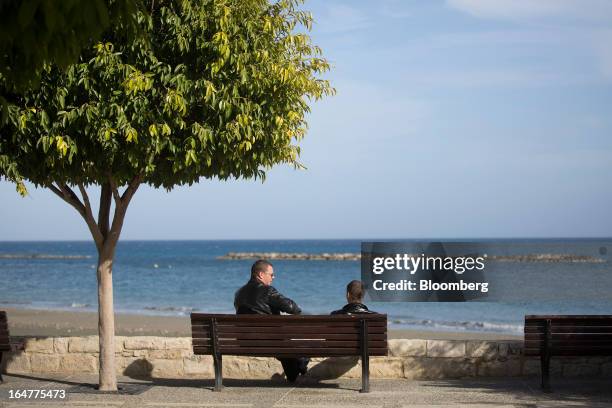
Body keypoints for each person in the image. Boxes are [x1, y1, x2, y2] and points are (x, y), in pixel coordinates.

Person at [234, 259, 308, 382]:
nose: (273, 277)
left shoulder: (239, 293)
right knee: (283, 342)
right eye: (271, 274)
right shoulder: (267, 290)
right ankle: (301, 363)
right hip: (270, 342)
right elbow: (293, 309)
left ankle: (295, 372)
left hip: (245, 341)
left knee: (282, 343)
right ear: (261, 275)